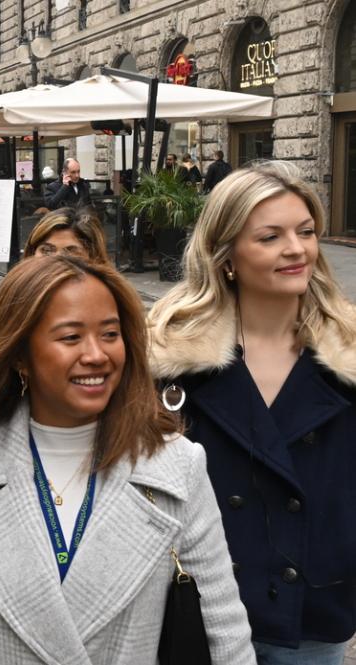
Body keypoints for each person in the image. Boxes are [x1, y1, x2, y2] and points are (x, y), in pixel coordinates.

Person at [0, 255, 254, 664]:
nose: (96, 355)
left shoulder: (176, 465)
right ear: (18, 354)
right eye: (70, 338)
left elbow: (221, 626)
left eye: (110, 334)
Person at [147, 162, 356, 664]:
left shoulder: (347, 355)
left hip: (310, 615)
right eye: (270, 236)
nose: (296, 249)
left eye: (306, 232)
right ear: (227, 257)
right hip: (191, 611)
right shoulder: (170, 358)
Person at [22, 207, 110, 263]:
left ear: (94, 258)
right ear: (32, 253)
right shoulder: (17, 290)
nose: (57, 260)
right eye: (46, 251)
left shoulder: (105, 291)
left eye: (70, 253)